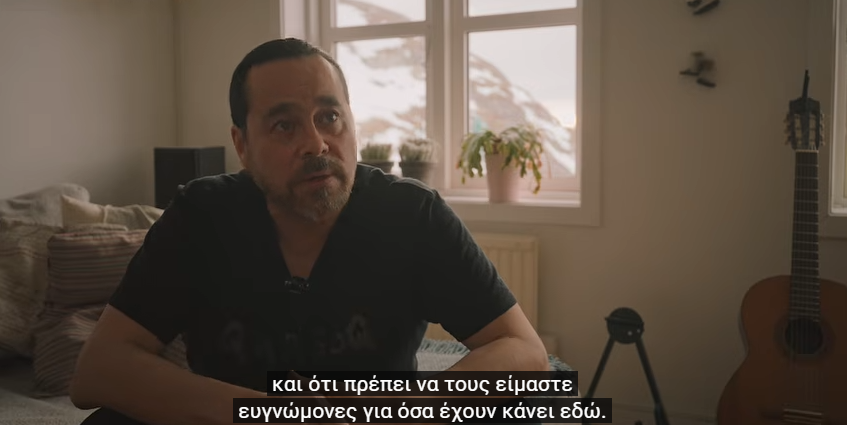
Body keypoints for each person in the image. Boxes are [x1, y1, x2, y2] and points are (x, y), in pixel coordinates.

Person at [69, 37, 549, 425]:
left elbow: (524, 351)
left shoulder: (412, 215)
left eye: (330, 118)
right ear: (242, 144)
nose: (316, 144)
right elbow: (97, 372)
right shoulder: (201, 214)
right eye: (284, 126)